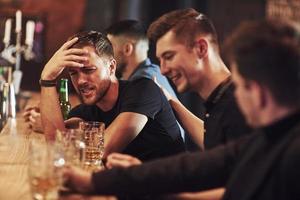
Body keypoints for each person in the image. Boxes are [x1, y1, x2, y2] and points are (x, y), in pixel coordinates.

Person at [63, 18, 300, 199]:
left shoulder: (289, 152)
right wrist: (96, 182)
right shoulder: (268, 136)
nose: (163, 69)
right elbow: (194, 165)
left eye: (240, 86)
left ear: (259, 93)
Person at [39, 31, 185, 161]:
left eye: (89, 70)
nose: (81, 81)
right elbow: (56, 146)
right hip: (127, 188)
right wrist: (47, 79)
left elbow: (103, 150)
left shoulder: (143, 90)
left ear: (111, 67)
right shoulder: (85, 111)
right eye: (73, 73)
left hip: (171, 189)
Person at [147, 8, 251, 150]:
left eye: (169, 57)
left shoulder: (240, 104)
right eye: (160, 60)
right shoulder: (221, 100)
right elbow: (214, 146)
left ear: (201, 48)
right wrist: (171, 101)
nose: (163, 70)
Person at [105, 19, 186, 142]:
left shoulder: (144, 82)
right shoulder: (149, 73)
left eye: (110, 48)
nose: (106, 55)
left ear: (127, 49)